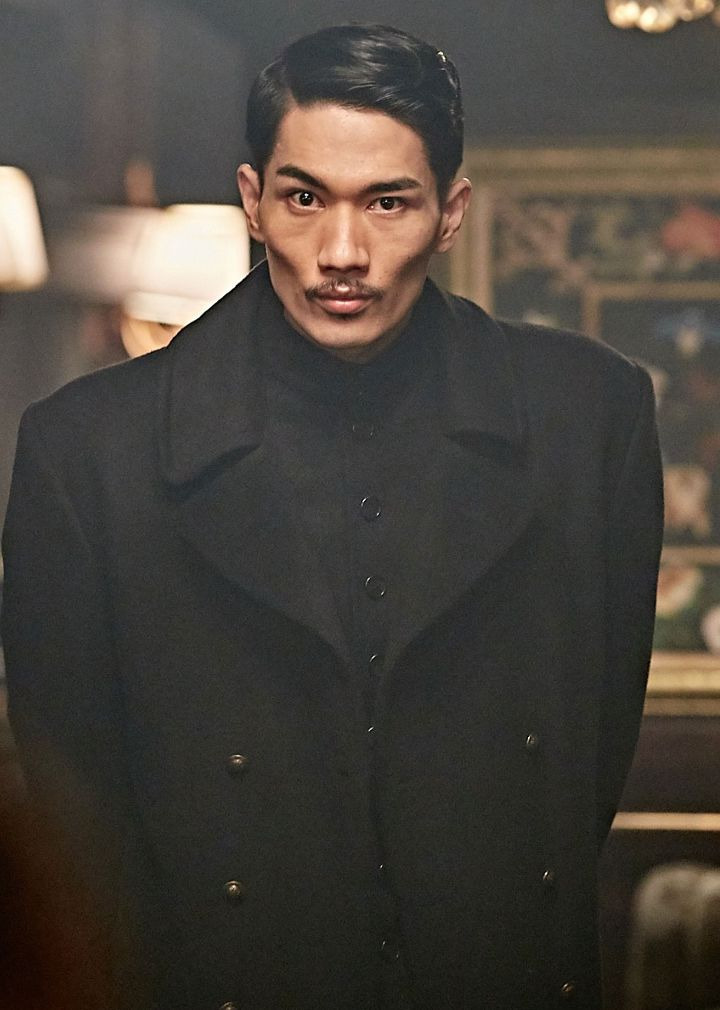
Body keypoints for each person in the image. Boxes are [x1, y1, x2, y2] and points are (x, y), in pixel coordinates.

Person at [1, 23, 663, 1010]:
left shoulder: (589, 419)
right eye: (305, 198)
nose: (341, 253)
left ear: (450, 213)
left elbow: (583, 764)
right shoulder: (87, 453)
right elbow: (77, 829)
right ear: (253, 201)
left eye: (387, 202)